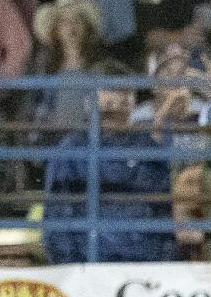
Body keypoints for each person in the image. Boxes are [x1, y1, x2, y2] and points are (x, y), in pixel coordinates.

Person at [43, 59, 177, 263]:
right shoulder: (70, 150)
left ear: (132, 102)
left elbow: (163, 215)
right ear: (89, 102)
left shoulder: (148, 148)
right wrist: (73, 272)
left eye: (123, 94)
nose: (116, 103)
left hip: (143, 266)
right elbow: (57, 220)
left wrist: (159, 266)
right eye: (109, 93)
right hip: (89, 266)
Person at [30, 0, 105, 127]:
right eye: (64, 22)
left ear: (86, 27)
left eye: (77, 20)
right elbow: (38, 107)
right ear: (56, 30)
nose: (71, 27)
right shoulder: (45, 65)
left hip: (89, 139)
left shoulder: (100, 65)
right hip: (55, 140)